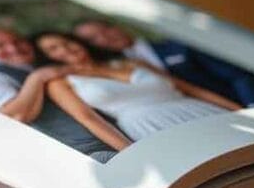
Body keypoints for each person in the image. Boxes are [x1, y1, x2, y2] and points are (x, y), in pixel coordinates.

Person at [33, 32, 242, 143]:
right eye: (53, 48)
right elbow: (89, 119)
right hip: (149, 127)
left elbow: (192, 89)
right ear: (47, 57)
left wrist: (240, 111)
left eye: (66, 42)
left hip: (199, 110)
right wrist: (130, 151)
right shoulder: (61, 82)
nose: (65, 49)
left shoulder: (132, 63)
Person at [0, 25, 117, 162]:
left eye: (17, 41)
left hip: (115, 134)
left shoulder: (42, 57)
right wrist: (38, 78)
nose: (12, 48)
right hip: (86, 153)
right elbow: (15, 116)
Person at [72, 20, 254, 107]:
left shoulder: (177, 46)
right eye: (94, 39)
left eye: (105, 30)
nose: (105, 37)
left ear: (117, 26)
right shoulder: (114, 72)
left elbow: (238, 75)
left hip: (250, 103)